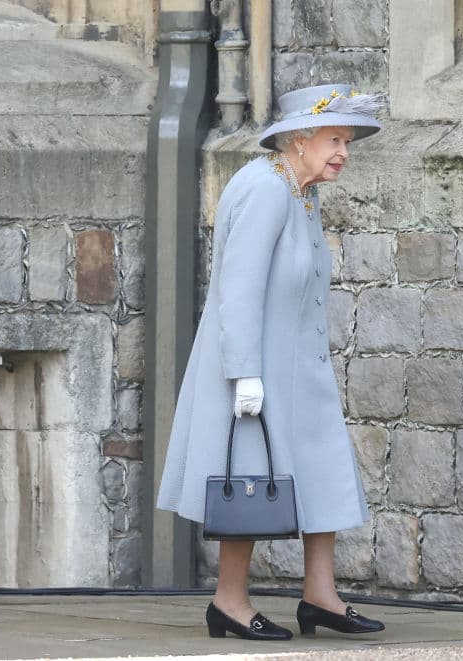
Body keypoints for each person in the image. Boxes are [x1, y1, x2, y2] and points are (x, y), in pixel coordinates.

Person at [156, 84, 386, 641]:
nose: (343, 153)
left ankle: (321, 596)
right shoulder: (264, 189)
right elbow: (237, 289)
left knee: (324, 469)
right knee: (251, 481)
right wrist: (245, 375)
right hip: (255, 367)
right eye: (335, 139)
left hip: (299, 368)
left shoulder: (301, 192)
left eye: (347, 141)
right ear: (299, 139)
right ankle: (229, 602)